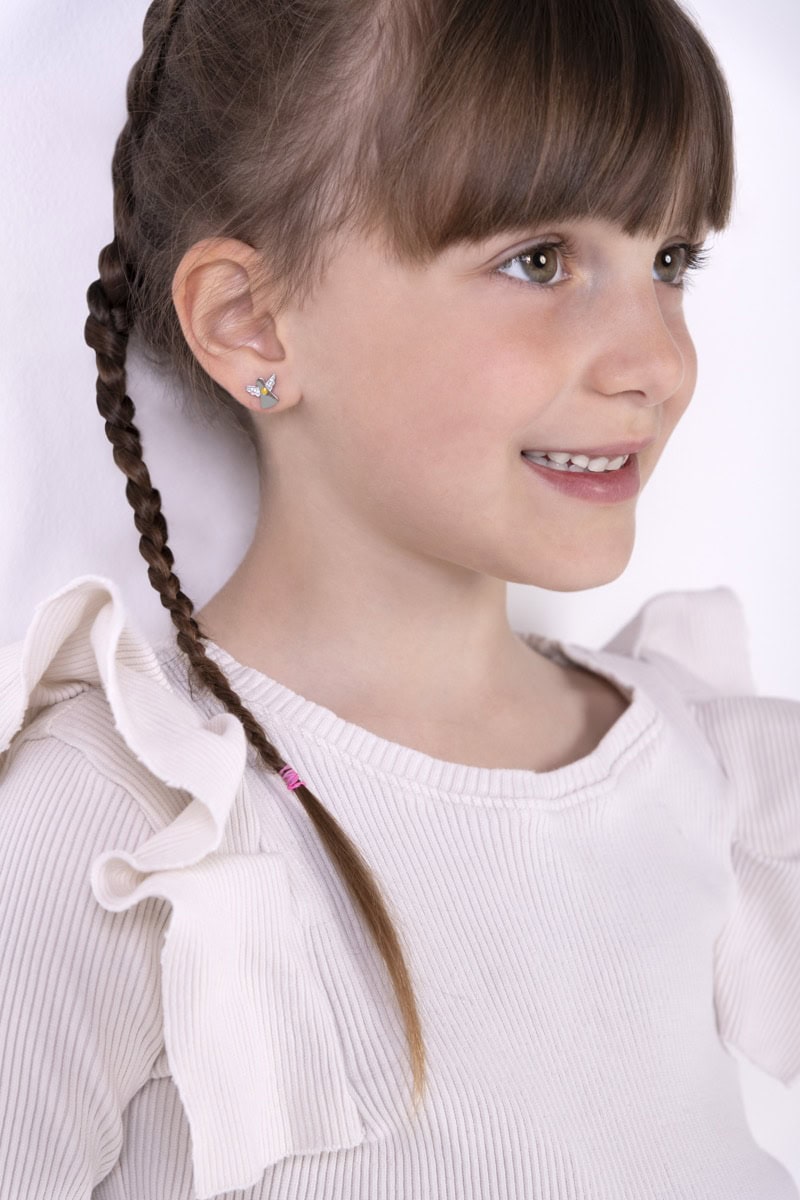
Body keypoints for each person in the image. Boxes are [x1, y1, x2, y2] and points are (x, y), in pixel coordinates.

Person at [1, 0, 798, 1197]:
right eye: (538, 261)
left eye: (669, 262)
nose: (657, 363)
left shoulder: (712, 778)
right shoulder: (127, 834)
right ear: (252, 322)